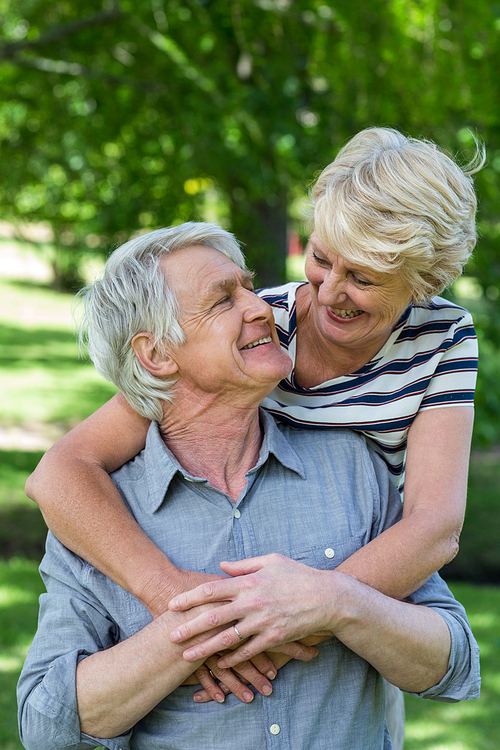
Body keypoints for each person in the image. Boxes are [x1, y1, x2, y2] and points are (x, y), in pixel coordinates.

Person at [25, 127, 483, 746]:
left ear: (421, 284)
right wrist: (180, 605)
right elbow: (63, 468)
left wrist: (313, 610)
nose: (324, 293)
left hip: (370, 601)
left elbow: (435, 532)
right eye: (320, 259)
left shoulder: (426, 368)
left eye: (365, 279)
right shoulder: (263, 325)